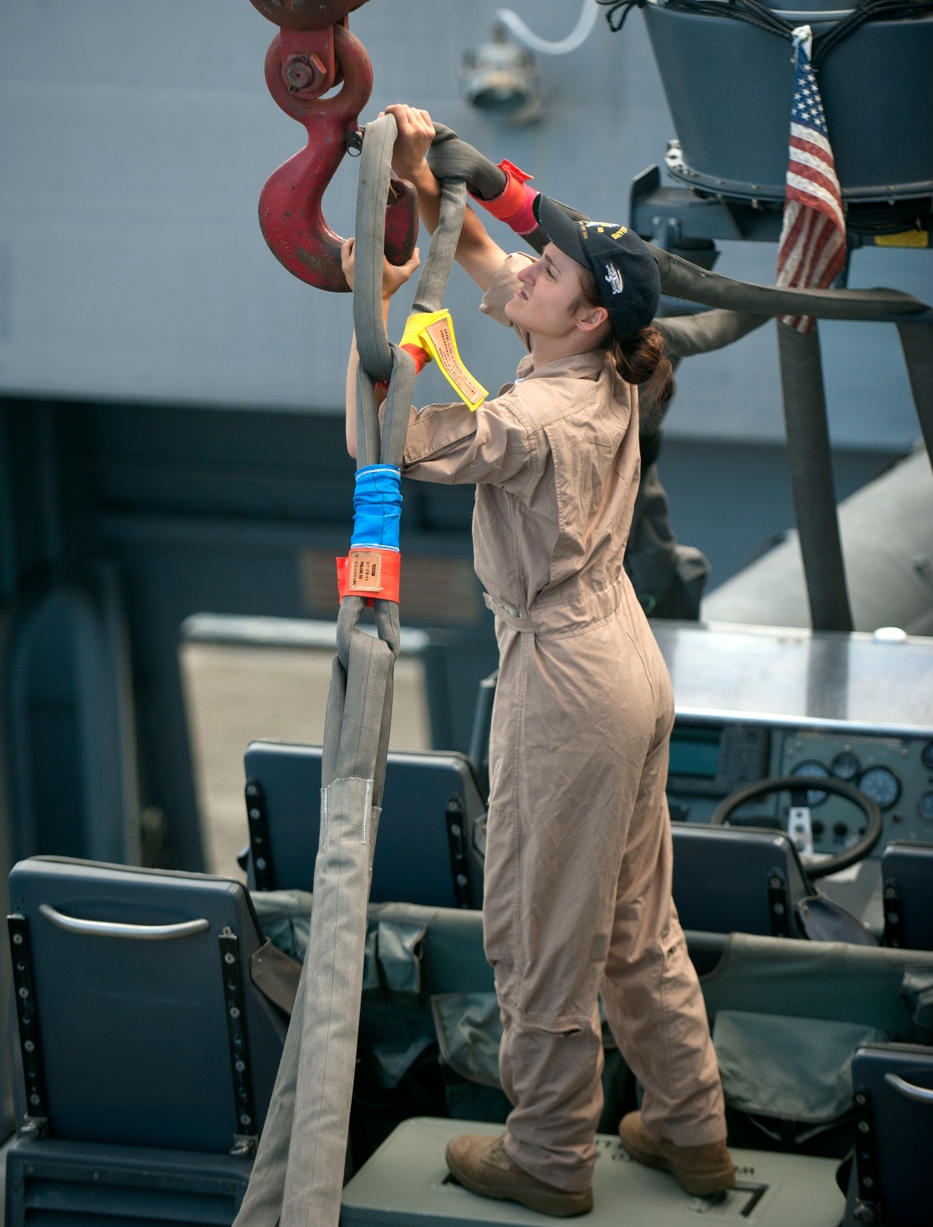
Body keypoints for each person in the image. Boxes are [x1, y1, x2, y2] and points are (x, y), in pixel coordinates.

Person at [342, 105, 734, 1218]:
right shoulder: (602, 369)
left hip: (564, 676)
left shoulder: (528, 420)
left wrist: (372, 289)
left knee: (540, 924)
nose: (524, 269)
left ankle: (553, 1156)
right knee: (629, 922)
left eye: (547, 267)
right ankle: (690, 1127)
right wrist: (424, 184)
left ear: (584, 311)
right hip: (621, 657)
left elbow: (372, 430)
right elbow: (490, 257)